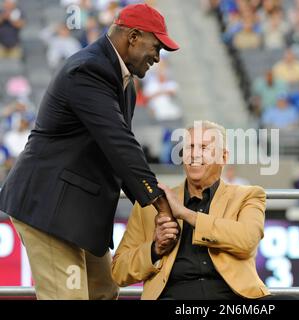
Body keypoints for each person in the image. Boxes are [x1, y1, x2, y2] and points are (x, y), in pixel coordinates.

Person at [0, 4, 179, 300]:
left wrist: (154, 207)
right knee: (69, 297)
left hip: (75, 212)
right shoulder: (89, 69)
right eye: (156, 47)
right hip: (49, 208)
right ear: (133, 36)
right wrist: (159, 203)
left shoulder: (124, 84)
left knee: (104, 292)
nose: (157, 58)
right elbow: (119, 144)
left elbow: (116, 155)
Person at [111, 121, 270, 300]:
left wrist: (185, 214)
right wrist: (155, 248)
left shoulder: (248, 195)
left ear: (224, 157)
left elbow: (247, 240)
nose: (194, 154)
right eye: (189, 147)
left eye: (203, 147)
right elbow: (118, 271)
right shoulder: (151, 205)